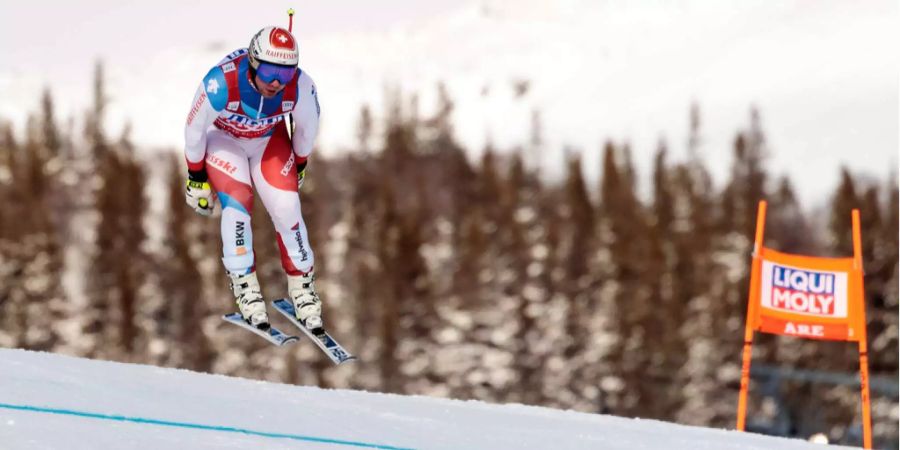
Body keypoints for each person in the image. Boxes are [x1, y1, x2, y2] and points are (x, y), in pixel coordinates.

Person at [182, 26, 323, 333]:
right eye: (271, 71)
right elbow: (194, 130)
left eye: (285, 74)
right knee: (238, 202)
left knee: (287, 207)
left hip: (268, 141)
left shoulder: (300, 86)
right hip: (224, 139)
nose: (276, 82)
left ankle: (302, 288)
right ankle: (246, 287)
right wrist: (196, 177)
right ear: (254, 62)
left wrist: (299, 164)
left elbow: (307, 129)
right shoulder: (221, 83)